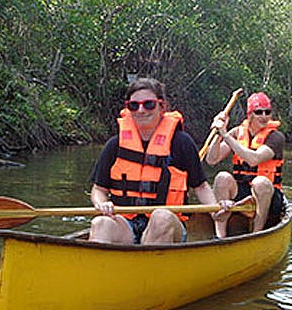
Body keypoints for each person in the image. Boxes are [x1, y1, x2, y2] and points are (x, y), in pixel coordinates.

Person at [88, 78, 228, 244]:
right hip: (126, 223)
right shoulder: (115, 145)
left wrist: (215, 211)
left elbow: (201, 186)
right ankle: (102, 267)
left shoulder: (181, 142)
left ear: (162, 107)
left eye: (149, 104)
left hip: (169, 223)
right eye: (134, 105)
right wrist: (102, 203)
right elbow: (98, 190)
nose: (141, 110)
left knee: (161, 216)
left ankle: (147, 266)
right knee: (100, 223)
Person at [205, 92, 285, 237]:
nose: (264, 116)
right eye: (258, 112)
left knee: (260, 182)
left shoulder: (276, 137)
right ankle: (219, 235)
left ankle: (256, 234)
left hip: (268, 195)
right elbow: (212, 159)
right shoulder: (237, 133)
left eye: (267, 112)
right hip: (242, 190)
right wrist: (218, 133)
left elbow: (254, 159)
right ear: (250, 114)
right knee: (222, 177)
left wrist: (226, 135)